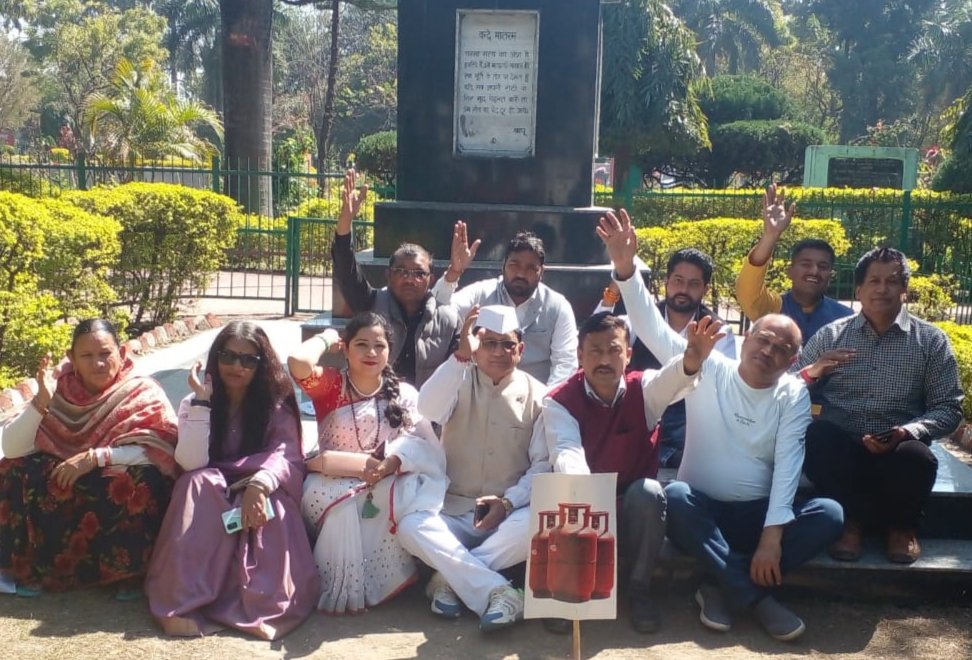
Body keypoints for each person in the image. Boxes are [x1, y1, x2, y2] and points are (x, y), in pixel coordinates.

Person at [598, 209, 844, 642]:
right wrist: (625, 266)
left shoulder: (792, 393)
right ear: (745, 340)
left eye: (781, 348)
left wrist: (772, 537)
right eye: (763, 339)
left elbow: (789, 466)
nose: (768, 351)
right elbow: (650, 326)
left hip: (757, 515)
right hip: (700, 513)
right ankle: (757, 599)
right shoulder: (709, 367)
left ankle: (720, 584)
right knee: (675, 495)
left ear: (792, 360)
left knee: (829, 513)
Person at [544, 311, 721, 633]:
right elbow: (566, 450)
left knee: (649, 493)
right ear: (580, 356)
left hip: (632, 507)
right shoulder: (558, 400)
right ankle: (570, 592)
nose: (604, 360)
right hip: (582, 501)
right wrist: (589, 498)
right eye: (595, 351)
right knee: (567, 492)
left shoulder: (644, 389)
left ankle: (639, 588)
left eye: (613, 350)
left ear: (628, 354)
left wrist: (691, 359)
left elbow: (672, 378)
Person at [146, 321, 319, 639]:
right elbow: (191, 462)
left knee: (274, 506)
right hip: (212, 486)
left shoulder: (276, 404)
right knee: (194, 484)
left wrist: (260, 484)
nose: (237, 366)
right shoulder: (194, 401)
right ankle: (181, 603)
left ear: (261, 365)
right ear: (216, 358)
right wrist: (202, 403)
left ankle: (263, 606)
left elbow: (286, 454)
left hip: (261, 482)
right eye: (228, 356)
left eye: (248, 360)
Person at [796, 247, 963, 564]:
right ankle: (849, 523)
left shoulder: (931, 341)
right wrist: (814, 371)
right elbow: (786, 390)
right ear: (859, 289)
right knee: (817, 438)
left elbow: (949, 407)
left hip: (897, 450)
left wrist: (908, 431)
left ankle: (902, 528)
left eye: (892, 281)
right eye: (874, 281)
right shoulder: (831, 336)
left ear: (905, 288)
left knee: (917, 457)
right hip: (844, 448)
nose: (882, 289)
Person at [396, 305, 549, 632]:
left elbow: (542, 465)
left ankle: (448, 580)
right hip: (453, 509)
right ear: (475, 346)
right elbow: (428, 407)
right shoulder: (457, 379)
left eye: (507, 344)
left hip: (508, 514)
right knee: (410, 526)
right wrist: (460, 356)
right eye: (488, 343)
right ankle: (501, 592)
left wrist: (508, 502)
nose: (498, 352)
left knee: (539, 526)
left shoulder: (540, 396)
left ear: (520, 350)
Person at [0, 318, 177, 597]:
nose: (98, 363)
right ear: (72, 358)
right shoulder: (58, 390)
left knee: (146, 479)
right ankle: (34, 571)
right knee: (12, 468)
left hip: (111, 481)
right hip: (68, 483)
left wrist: (96, 457)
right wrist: (40, 403)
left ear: (121, 353)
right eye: (87, 356)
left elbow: (161, 449)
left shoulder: (142, 392)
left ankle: (126, 577)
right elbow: (12, 449)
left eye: (105, 353)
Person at [290, 312, 447, 614]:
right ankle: (342, 588)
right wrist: (327, 337)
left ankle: (382, 582)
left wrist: (390, 464)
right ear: (345, 349)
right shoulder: (332, 385)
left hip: (386, 478)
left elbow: (423, 446)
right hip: (330, 479)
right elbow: (298, 362)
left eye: (379, 346)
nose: (371, 353)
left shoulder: (404, 394)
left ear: (390, 351)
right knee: (344, 505)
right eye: (361, 344)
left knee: (399, 495)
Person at [595, 248, 736, 468]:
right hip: (641, 414)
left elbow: (723, 389)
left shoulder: (718, 331)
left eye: (693, 284)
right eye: (678, 281)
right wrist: (613, 292)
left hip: (687, 422)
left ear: (705, 289)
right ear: (666, 281)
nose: (684, 290)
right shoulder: (641, 320)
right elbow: (597, 334)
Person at [331, 169, 460, 386]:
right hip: (377, 403)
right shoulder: (370, 304)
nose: (410, 279)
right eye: (401, 271)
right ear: (388, 275)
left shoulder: (448, 320)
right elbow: (346, 271)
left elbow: (455, 379)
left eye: (419, 273)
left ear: (430, 279)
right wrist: (344, 226)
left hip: (425, 406)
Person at [432, 226, 578, 385]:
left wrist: (547, 399)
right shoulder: (481, 294)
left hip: (537, 396)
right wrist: (454, 273)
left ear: (541, 272)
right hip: (480, 393)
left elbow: (565, 363)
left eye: (530, 268)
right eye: (514, 265)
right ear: (503, 266)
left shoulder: (557, 307)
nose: (521, 274)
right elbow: (438, 313)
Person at [735, 184, 853, 343]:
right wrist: (771, 235)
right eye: (806, 264)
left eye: (822, 266)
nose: (814, 271)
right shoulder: (773, 309)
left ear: (831, 276)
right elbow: (747, 290)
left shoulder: (845, 318)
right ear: (789, 271)